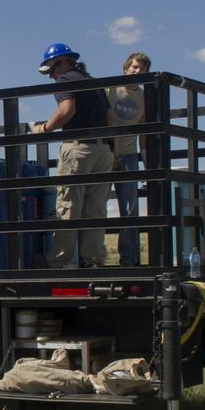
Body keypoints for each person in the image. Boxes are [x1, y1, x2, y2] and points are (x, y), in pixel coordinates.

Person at [38, 43, 115, 268]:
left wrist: (45, 128)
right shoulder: (93, 82)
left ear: (62, 62)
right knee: (96, 209)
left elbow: (66, 110)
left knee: (69, 206)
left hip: (79, 149)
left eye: (52, 69)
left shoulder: (65, 80)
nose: (51, 76)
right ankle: (94, 261)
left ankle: (59, 262)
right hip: (103, 149)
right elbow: (111, 119)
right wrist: (113, 151)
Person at [109, 51, 152, 266]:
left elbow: (144, 135)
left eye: (142, 69)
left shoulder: (145, 98)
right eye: (134, 67)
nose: (137, 71)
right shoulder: (110, 89)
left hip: (128, 155)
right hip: (105, 153)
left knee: (129, 209)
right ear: (125, 68)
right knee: (94, 205)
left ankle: (129, 260)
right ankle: (91, 258)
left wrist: (147, 165)